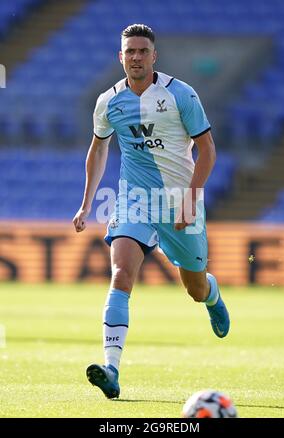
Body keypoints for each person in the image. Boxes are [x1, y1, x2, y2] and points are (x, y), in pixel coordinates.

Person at [73, 24, 230, 399]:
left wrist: (192, 199)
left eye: (143, 51)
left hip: (180, 200)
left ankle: (212, 296)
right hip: (134, 200)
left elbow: (207, 148)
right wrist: (86, 203)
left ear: (154, 56)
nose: (137, 57)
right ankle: (111, 368)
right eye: (130, 52)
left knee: (193, 286)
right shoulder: (108, 102)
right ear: (121, 57)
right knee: (121, 273)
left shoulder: (181, 95)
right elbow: (98, 149)